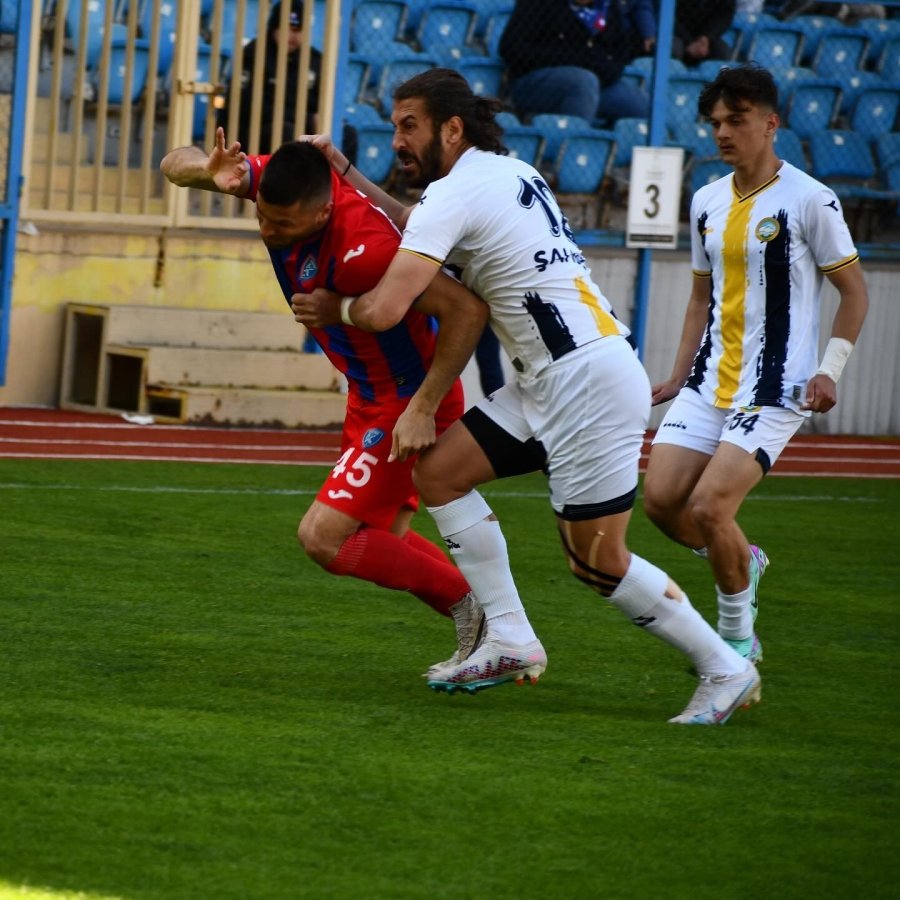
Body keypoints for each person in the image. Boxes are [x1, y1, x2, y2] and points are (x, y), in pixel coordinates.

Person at [292, 68, 762, 725]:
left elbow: (387, 305)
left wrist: (333, 306)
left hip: (584, 386)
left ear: (451, 129)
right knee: (440, 473)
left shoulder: (456, 193)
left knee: (598, 564)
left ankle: (726, 666)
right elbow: (417, 224)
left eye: (409, 126)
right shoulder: (507, 174)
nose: (397, 140)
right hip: (554, 377)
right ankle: (510, 638)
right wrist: (346, 173)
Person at [160, 128, 492, 672]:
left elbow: (466, 311)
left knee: (324, 538)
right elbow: (174, 162)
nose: (268, 229)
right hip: (367, 394)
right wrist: (206, 171)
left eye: (282, 224)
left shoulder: (369, 250)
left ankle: (486, 614)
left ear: (320, 215)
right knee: (383, 539)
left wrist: (424, 406)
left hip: (404, 400)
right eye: (263, 216)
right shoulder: (281, 184)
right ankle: (486, 622)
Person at [643, 65, 868, 668]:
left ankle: (737, 640)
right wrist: (677, 371)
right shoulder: (706, 201)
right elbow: (700, 296)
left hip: (778, 386)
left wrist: (831, 369)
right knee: (661, 502)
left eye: (735, 121)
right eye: (715, 122)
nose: (722, 133)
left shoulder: (809, 199)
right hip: (709, 379)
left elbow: (854, 292)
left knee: (710, 508)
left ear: (771, 124)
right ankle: (746, 558)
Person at [216, 0, 357, 162]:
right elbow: (248, 105)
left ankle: (340, 185)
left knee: (347, 133)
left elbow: (321, 107)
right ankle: (286, 185)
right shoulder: (254, 54)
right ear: (274, 27)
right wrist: (308, 119)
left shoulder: (314, 60)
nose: (293, 35)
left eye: (299, 30)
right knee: (284, 131)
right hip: (256, 130)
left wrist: (319, 121)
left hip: (302, 129)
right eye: (288, 28)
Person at [499, 0, 654, 126]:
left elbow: (619, 56)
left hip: (598, 83)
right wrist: (573, 60)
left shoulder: (609, 8)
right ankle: (571, 151)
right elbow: (511, 49)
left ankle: (607, 153)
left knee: (642, 105)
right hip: (533, 82)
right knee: (583, 82)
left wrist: (602, 69)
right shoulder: (537, 4)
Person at [672, 0, 737, 67]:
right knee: (673, 48)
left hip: (706, 38)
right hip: (676, 34)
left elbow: (725, 15)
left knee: (722, 53)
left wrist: (706, 38)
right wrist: (688, 41)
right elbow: (667, 15)